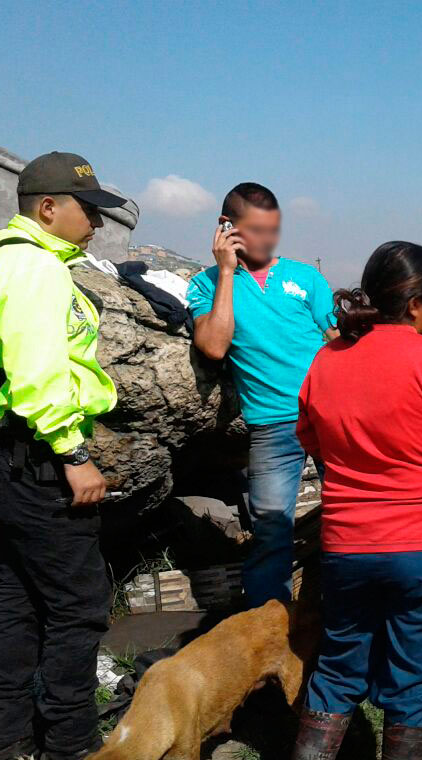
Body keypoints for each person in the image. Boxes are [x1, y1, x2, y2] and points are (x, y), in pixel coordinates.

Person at [291, 242, 422, 760]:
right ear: (414, 304)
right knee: (418, 678)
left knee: (338, 667)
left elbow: (312, 440)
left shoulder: (327, 359)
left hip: (349, 543)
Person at [0, 152, 126, 760]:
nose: (98, 226)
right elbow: (36, 376)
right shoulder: (32, 269)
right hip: (33, 456)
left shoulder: (12, 260)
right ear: (49, 208)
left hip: (8, 456)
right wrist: (74, 454)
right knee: (79, 603)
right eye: (90, 212)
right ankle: (69, 745)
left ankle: (2, 742)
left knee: (21, 596)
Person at [187, 183, 334, 607]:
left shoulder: (306, 277)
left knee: (352, 518)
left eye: (274, 230)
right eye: (256, 230)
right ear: (226, 227)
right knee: (271, 533)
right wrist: (227, 273)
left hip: (328, 418)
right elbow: (214, 346)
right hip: (271, 425)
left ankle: (344, 619)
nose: (268, 240)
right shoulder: (206, 285)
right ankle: (268, 632)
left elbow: (337, 337)